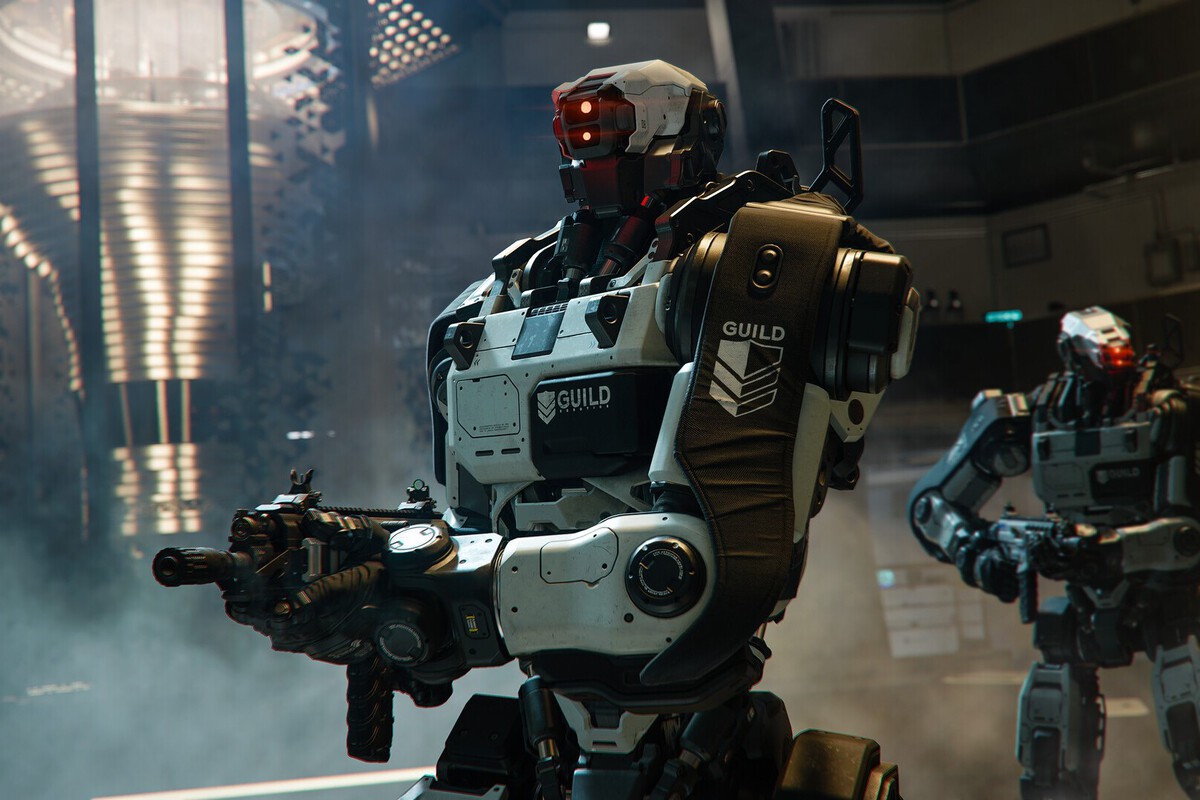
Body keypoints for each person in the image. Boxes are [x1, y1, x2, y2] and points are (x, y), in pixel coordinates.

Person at [909, 306, 1200, 799]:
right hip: (1081, 604)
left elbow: (1186, 538)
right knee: (1052, 763)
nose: (1117, 369)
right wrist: (977, 554)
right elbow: (930, 507)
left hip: (1163, 597)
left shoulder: (1172, 411)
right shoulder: (1032, 415)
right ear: (1074, 356)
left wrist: (1106, 550)